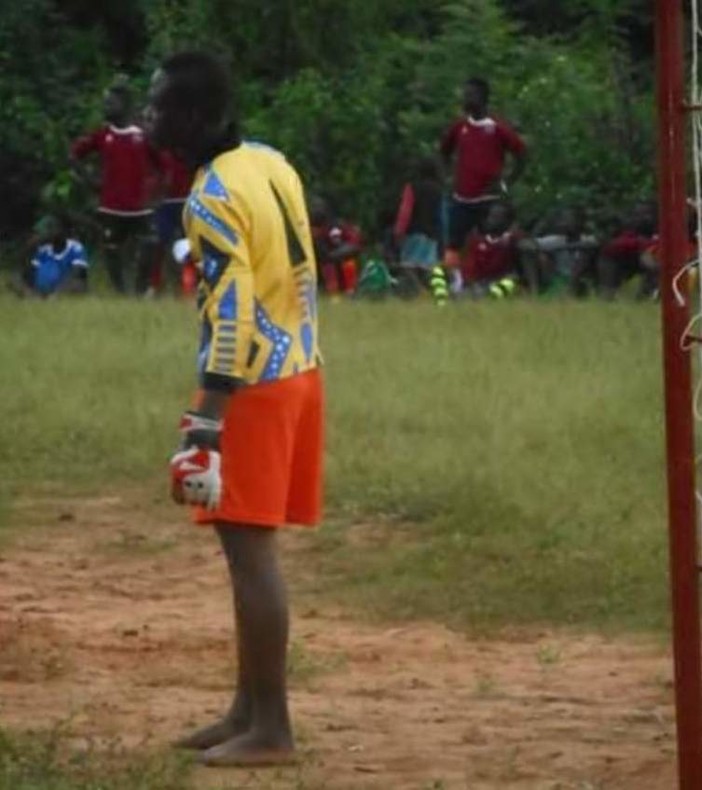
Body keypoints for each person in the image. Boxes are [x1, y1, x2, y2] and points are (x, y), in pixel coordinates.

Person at [144, 51, 323, 768]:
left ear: (193, 118)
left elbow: (233, 306)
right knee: (246, 552)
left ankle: (272, 728)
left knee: (251, 558)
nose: (149, 117)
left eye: (159, 107)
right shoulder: (268, 162)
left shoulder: (210, 195)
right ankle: (246, 710)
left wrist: (207, 415)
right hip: (298, 370)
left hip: (249, 385)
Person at [71, 79, 162, 294]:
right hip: (111, 206)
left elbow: (162, 164)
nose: (107, 108)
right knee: (111, 248)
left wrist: (157, 191)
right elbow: (74, 155)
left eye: (111, 103)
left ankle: (140, 291)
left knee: (151, 243)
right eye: (106, 104)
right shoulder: (103, 135)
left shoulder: (142, 134)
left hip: (140, 206)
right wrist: (89, 180)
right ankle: (121, 292)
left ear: (125, 105)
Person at [440, 77, 527, 271]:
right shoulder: (460, 126)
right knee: (454, 243)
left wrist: (508, 181)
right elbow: (444, 151)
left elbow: (521, 153)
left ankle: (492, 278)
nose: (465, 99)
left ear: (483, 97)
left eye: (470, 95)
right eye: (465, 95)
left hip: (488, 198)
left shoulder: (497, 126)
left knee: (489, 240)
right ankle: (453, 283)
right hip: (461, 197)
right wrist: (448, 177)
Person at [523, 207, 599, 297]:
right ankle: (534, 291)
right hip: (558, 277)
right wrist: (538, 250)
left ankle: (570, 290)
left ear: (579, 221)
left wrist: (561, 247)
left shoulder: (587, 238)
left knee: (585, 254)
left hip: (581, 280)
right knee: (537, 255)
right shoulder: (556, 240)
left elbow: (592, 245)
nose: (565, 223)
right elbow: (525, 244)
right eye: (564, 219)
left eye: (569, 219)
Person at [393, 158, 444, 287]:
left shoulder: (412, 187)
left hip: (413, 232)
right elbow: (442, 216)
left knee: (408, 266)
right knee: (427, 267)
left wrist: (399, 232)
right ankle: (431, 290)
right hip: (432, 234)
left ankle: (419, 293)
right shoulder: (438, 190)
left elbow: (405, 211)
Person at [150, 150, 193, 294]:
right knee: (159, 243)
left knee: (190, 244)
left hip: (187, 200)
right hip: (165, 202)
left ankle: (189, 285)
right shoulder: (162, 148)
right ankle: (155, 284)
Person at [15, 213, 88, 297]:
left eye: (53, 228)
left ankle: (54, 296)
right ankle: (34, 296)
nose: (49, 232)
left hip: (64, 286)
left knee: (78, 285)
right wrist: (30, 245)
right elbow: (29, 272)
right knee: (16, 279)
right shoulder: (43, 249)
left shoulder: (75, 247)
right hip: (41, 288)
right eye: (48, 228)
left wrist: (58, 291)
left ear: (64, 230)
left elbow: (77, 273)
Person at [598, 201, 659, 300]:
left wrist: (645, 245)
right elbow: (612, 246)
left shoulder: (660, 225)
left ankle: (646, 295)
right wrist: (640, 243)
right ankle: (608, 293)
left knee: (652, 261)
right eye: (638, 214)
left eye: (647, 214)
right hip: (623, 258)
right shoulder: (627, 227)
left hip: (648, 256)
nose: (644, 217)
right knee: (607, 258)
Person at [461, 202, 522, 298]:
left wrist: (510, 235)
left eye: (498, 217)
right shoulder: (476, 240)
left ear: (507, 221)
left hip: (501, 279)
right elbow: (469, 265)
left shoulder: (511, 240)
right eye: (491, 216)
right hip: (479, 282)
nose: (492, 220)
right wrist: (470, 281)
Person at [309, 196, 362, 297]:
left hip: (342, 255)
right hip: (326, 260)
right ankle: (333, 292)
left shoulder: (336, 227)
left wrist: (334, 255)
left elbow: (355, 242)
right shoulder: (310, 233)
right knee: (327, 263)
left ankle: (349, 291)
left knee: (345, 262)